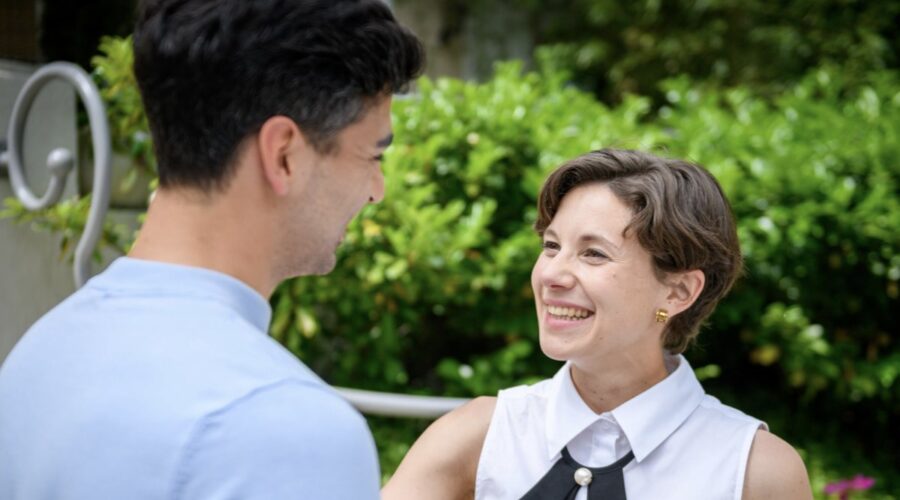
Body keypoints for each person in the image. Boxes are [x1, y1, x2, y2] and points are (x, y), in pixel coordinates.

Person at [0, 0, 423, 498]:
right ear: (284, 153)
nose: (377, 189)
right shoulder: (286, 428)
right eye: (372, 155)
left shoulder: (39, 351)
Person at [382, 149, 813, 500]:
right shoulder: (477, 436)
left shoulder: (754, 470)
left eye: (593, 254)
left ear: (678, 292)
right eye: (551, 246)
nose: (552, 275)